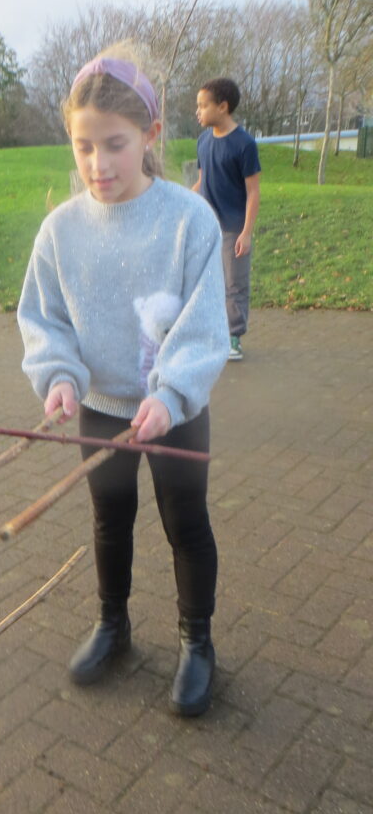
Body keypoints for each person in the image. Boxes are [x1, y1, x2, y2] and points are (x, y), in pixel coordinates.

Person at [17, 44, 229, 717]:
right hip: (102, 406)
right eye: (83, 147)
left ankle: (198, 643)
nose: (98, 165)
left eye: (115, 145)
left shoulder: (188, 221)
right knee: (110, 519)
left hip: (175, 409)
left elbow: (203, 327)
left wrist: (169, 397)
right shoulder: (59, 231)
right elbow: (45, 320)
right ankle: (115, 625)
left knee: (184, 521)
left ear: (151, 136)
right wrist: (58, 377)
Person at [193, 77, 261, 361]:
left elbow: (253, 191)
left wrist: (246, 232)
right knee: (209, 283)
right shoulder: (203, 140)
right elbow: (201, 182)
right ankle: (212, 333)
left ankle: (234, 337)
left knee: (235, 284)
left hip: (233, 226)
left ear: (223, 107)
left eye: (203, 105)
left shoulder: (244, 144)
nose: (198, 111)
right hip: (208, 226)